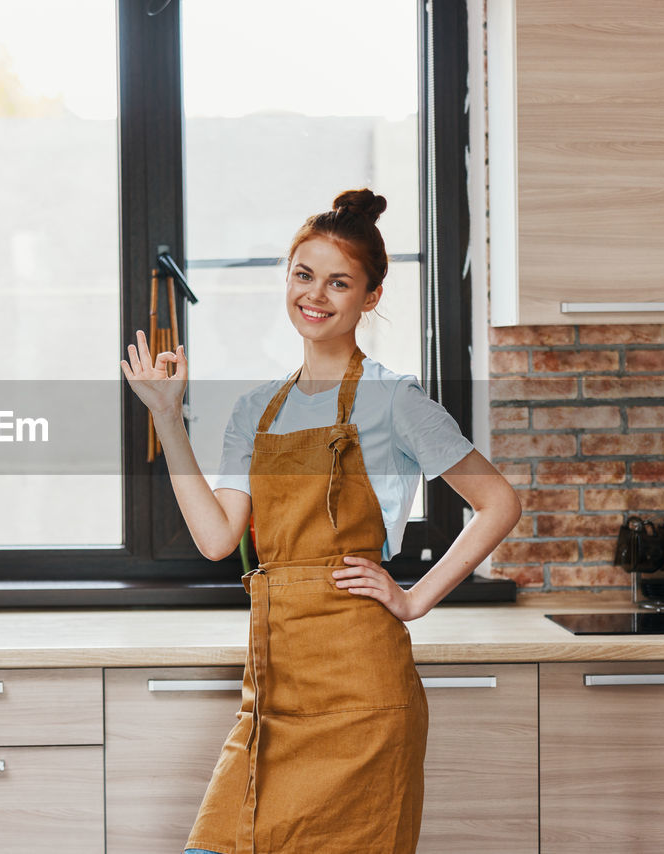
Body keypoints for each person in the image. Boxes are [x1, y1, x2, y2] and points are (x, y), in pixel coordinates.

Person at [120, 189, 521, 854]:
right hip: (273, 688)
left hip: (363, 695)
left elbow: (499, 503)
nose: (316, 296)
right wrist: (166, 416)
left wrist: (415, 598)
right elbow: (220, 538)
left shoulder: (395, 400)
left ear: (370, 297)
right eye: (304, 276)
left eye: (340, 283)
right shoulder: (256, 410)